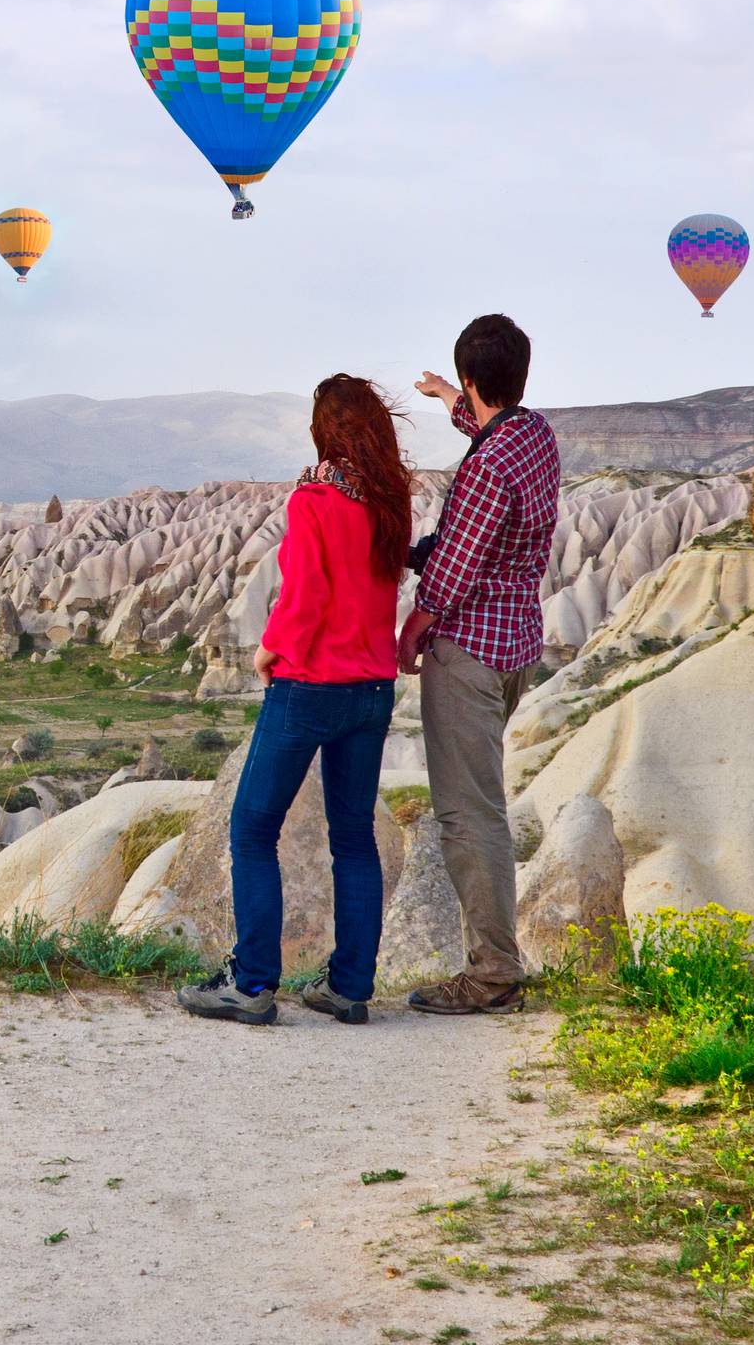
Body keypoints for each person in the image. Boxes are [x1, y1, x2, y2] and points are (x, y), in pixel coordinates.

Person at [179, 374, 411, 1028]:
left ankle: (251, 983)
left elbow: (305, 595)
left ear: (323, 432)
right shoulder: (390, 504)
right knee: (354, 838)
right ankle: (349, 987)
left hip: (310, 685)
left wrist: (269, 649)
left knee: (252, 830)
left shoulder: (315, 500)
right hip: (373, 688)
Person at [397, 313, 562, 1016]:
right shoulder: (533, 435)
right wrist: (446, 396)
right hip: (516, 645)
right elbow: (487, 425)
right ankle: (494, 964)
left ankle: (492, 974)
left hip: (468, 652)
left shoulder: (486, 467)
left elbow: (455, 566)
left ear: (473, 377)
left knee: (469, 816)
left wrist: (413, 627)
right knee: (482, 806)